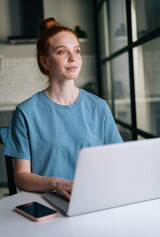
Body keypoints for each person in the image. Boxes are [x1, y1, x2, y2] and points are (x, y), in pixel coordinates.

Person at [2, 17, 123, 200]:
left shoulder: (99, 107)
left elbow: (118, 161)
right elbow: (21, 177)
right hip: (45, 202)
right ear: (45, 62)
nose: (73, 57)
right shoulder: (26, 112)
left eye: (77, 50)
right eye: (62, 52)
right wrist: (56, 183)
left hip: (93, 199)